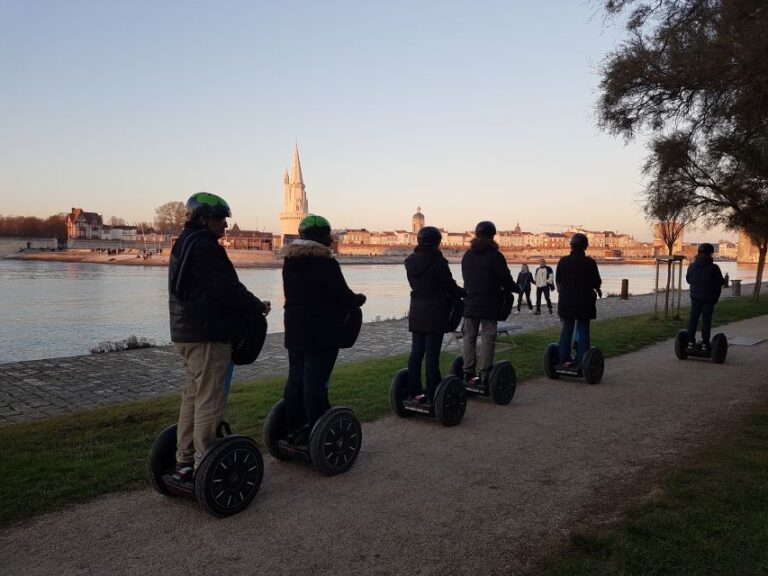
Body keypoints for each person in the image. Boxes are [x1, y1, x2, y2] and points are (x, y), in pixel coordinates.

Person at [169, 192, 270, 477]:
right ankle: (205, 463)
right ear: (204, 219)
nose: (226, 226)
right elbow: (226, 289)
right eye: (221, 220)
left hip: (185, 333)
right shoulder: (204, 247)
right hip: (207, 335)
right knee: (210, 399)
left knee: (192, 396)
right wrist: (256, 306)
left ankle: (184, 460)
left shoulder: (185, 244)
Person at [282, 214, 366, 442]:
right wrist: (359, 299)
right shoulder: (325, 262)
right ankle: (316, 429)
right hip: (321, 331)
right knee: (315, 381)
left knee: (296, 378)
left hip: (295, 328)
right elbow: (341, 295)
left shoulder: (290, 260)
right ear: (322, 237)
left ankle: (294, 426)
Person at [404, 226, 466, 402]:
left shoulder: (410, 261)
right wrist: (464, 293)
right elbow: (449, 285)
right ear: (437, 242)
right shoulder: (437, 261)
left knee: (416, 353)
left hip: (416, 310)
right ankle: (433, 393)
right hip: (435, 312)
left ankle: (413, 391)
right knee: (432, 355)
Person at [461, 221, 518, 385]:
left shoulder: (468, 255)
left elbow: (467, 279)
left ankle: (467, 372)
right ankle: (485, 372)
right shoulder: (495, 256)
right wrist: (517, 289)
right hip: (489, 303)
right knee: (488, 337)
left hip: (470, 302)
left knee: (469, 337)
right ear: (493, 236)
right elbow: (505, 279)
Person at [555, 233, 602, 368]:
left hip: (566, 302)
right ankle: (582, 360)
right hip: (584, 303)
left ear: (571, 245)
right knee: (583, 328)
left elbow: (558, 281)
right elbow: (596, 282)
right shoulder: (590, 263)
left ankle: (563, 360)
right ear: (585, 247)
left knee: (566, 329)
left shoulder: (563, 261)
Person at [686, 243, 725, 351]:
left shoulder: (692, 266)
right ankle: (705, 343)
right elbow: (720, 282)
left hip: (695, 297)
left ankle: (690, 342)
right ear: (710, 254)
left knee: (693, 319)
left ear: (699, 252)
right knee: (706, 320)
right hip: (709, 298)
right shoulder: (714, 268)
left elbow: (688, 280)